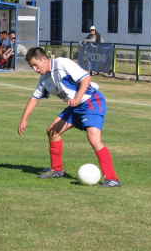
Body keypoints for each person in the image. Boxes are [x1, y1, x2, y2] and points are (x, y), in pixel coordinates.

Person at [18, 47, 120, 188]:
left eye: (35, 65)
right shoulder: (44, 79)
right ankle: (57, 170)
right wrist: (24, 119)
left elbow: (86, 78)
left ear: (44, 59)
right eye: (31, 67)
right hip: (74, 106)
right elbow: (34, 99)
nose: (35, 69)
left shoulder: (62, 64)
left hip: (91, 101)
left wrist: (77, 98)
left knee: (94, 138)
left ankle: (112, 179)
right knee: (52, 131)